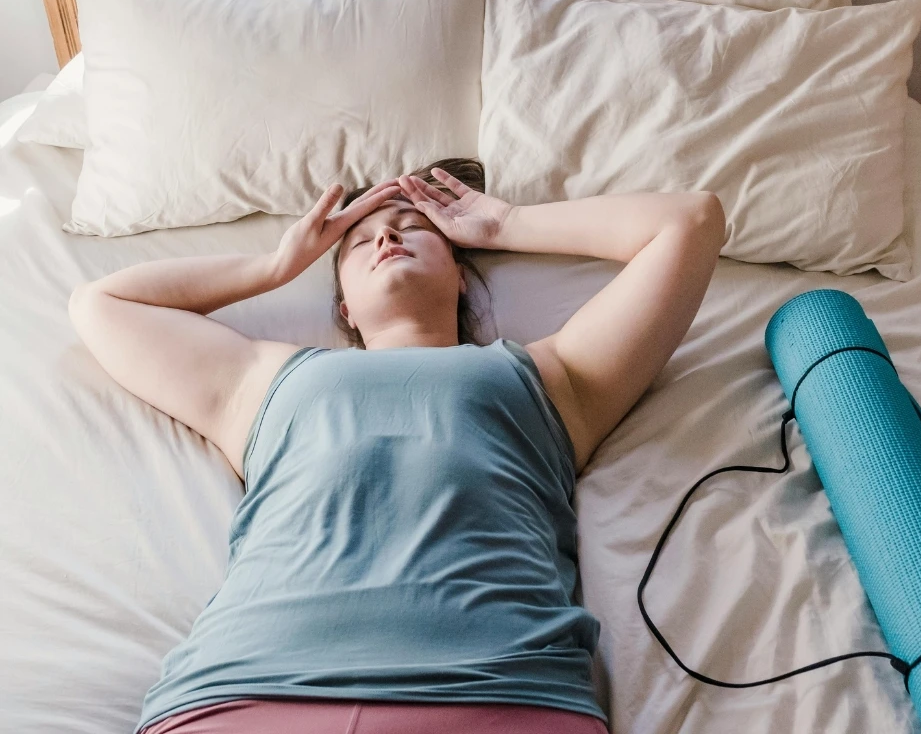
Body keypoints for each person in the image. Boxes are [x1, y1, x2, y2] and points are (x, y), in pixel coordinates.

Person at [68, 157, 725, 734]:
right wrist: (273, 265)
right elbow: (104, 304)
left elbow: (690, 223)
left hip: (498, 695)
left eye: (414, 228)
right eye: (359, 243)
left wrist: (505, 226)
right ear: (345, 308)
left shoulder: (549, 378)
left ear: (463, 276)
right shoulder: (264, 380)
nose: (385, 234)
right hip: (246, 692)